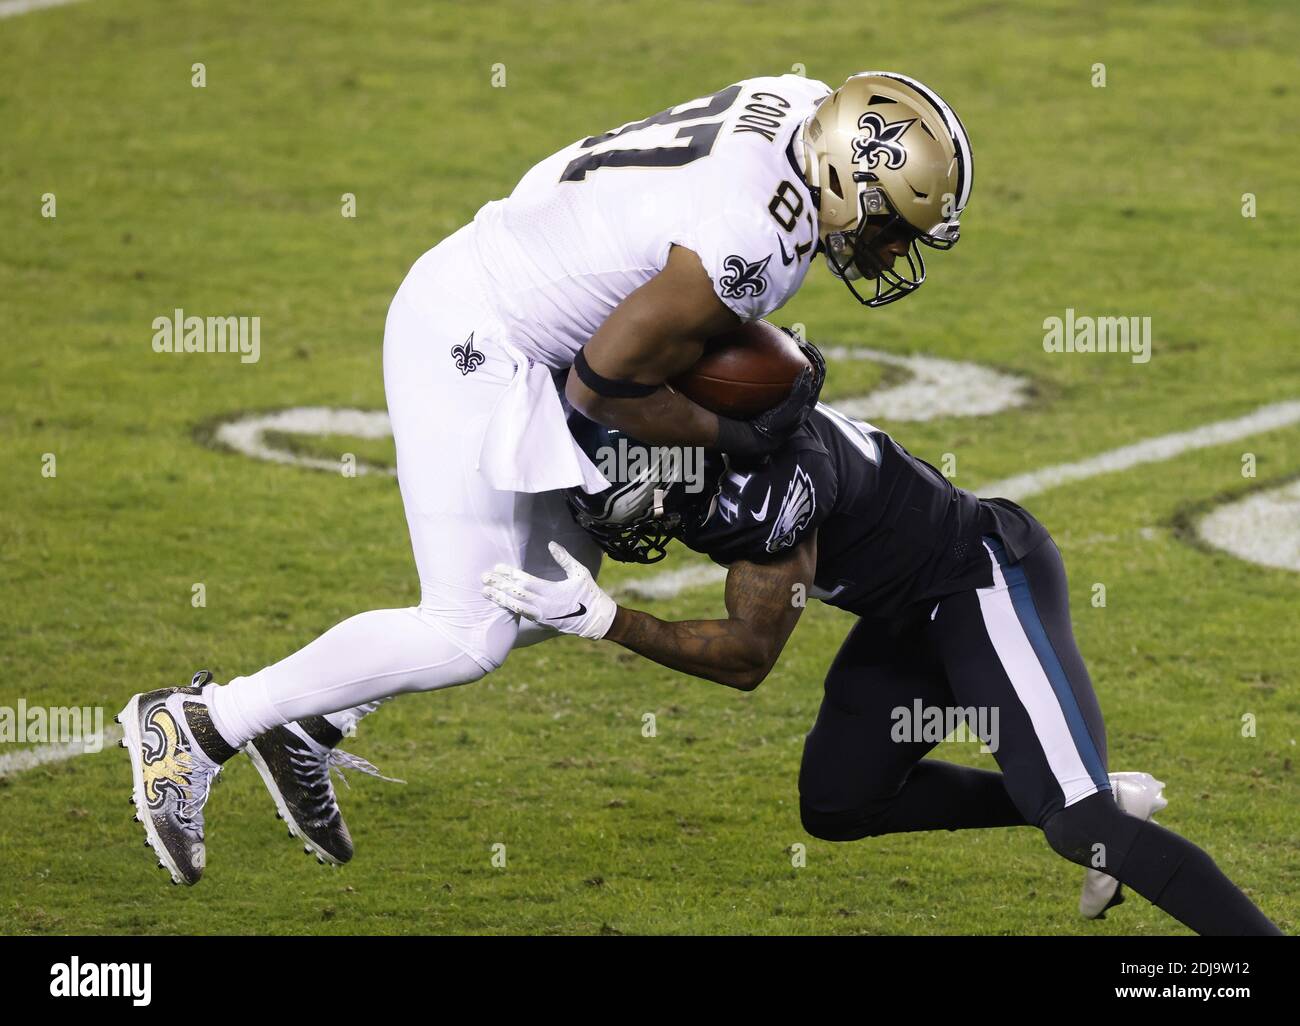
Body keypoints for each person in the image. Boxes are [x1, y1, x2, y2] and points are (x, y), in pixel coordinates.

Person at [119, 71, 974, 885]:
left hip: (521, 304)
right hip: (474, 335)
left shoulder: (793, 102)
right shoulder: (752, 245)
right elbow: (605, 386)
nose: (892, 247)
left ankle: (311, 719)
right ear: (844, 180)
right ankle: (200, 725)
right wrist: (737, 436)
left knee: (547, 591)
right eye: (891, 222)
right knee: (467, 632)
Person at [480, 405, 1283, 935]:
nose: (639, 529)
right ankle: (1106, 799)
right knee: (839, 802)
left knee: (1080, 828)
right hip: (907, 611)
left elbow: (747, 658)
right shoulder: (696, 408)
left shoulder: (766, 500)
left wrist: (611, 621)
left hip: (981, 580)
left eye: (639, 507)